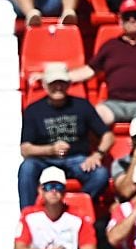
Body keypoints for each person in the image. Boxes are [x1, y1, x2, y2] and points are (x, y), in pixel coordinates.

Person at [18, 62, 111, 207]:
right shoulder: (33, 110)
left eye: (62, 83)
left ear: (68, 84)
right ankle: (28, 215)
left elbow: (107, 135)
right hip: (45, 159)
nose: (58, 87)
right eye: (54, 83)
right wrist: (51, 149)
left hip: (77, 159)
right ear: (45, 85)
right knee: (27, 168)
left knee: (100, 174)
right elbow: (25, 149)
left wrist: (97, 155)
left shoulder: (82, 106)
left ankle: (74, 208)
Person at [70, 4, 136, 126]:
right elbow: (89, 71)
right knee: (93, 119)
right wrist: (60, 77)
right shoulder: (110, 46)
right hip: (115, 104)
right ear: (120, 20)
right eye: (127, 17)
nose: (132, 20)